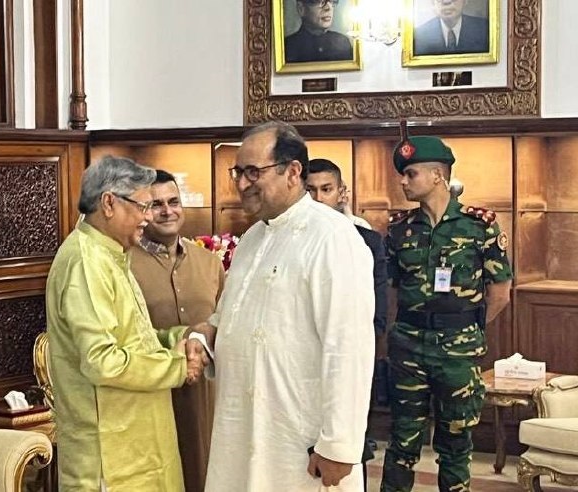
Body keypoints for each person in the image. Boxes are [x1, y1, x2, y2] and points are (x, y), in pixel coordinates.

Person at [196, 121, 375, 491]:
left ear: (293, 172)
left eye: (253, 172)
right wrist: (205, 335)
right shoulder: (251, 239)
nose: (242, 183)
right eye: (238, 172)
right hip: (243, 424)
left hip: (300, 436)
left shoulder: (333, 237)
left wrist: (339, 445)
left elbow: (349, 346)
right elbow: (228, 316)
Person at [45, 156, 207, 492]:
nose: (148, 217)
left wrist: (179, 337)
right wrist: (177, 365)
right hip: (111, 457)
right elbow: (102, 362)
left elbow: (134, 339)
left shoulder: (111, 254)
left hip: (138, 445)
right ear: (109, 203)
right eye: (143, 206)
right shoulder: (86, 262)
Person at [379, 136, 513, 492]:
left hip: (458, 351)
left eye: (411, 173)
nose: (403, 181)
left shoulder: (479, 225)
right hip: (408, 347)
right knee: (402, 440)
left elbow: (500, 292)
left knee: (455, 443)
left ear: (438, 175)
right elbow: (392, 291)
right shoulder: (399, 228)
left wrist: (466, 329)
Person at [130, 169, 226, 492]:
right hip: (152, 395)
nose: (167, 211)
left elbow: (226, 325)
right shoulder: (124, 265)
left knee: (208, 474)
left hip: (206, 398)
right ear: (142, 210)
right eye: (156, 204)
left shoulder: (209, 262)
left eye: (174, 201)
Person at [305, 158, 388, 491]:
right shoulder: (293, 239)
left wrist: (361, 355)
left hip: (350, 356)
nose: (318, 198)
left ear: (341, 192)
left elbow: (377, 311)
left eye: (326, 189)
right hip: (305, 365)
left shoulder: (365, 239)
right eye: (310, 190)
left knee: (350, 445)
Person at [285, 0, 354, 63]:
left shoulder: (343, 43)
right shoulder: (288, 47)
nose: (328, 8)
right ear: (301, 8)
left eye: (331, 1)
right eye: (320, 1)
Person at [414, 0, 489, 56]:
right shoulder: (419, 35)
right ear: (433, 3)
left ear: (465, 1)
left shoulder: (485, 29)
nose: (447, 1)